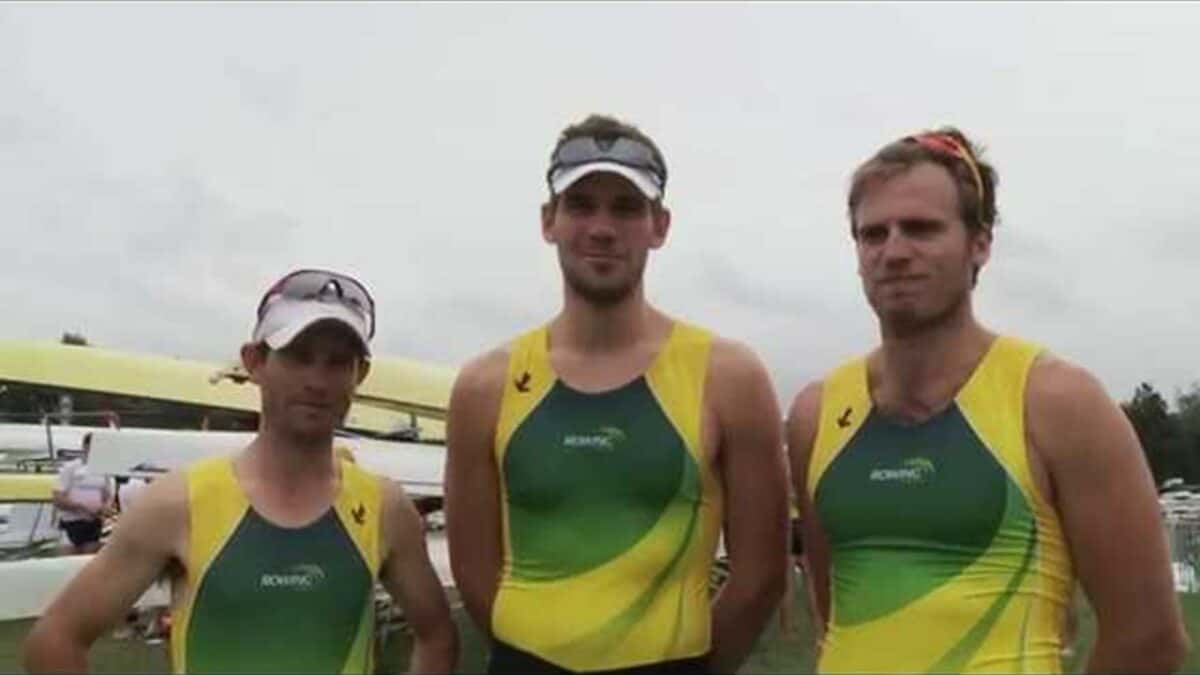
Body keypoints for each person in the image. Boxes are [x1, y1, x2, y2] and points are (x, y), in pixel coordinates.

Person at [786, 127, 1190, 672]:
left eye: (922, 229)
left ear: (980, 243)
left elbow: (1149, 640)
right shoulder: (816, 413)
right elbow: (834, 612)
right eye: (873, 234)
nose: (895, 251)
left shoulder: (1058, 402)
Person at [445, 114, 789, 675]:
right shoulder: (485, 386)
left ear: (659, 225)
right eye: (581, 205)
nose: (602, 228)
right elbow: (476, 575)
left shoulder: (729, 377)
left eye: (626, 208)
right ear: (548, 220)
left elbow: (760, 578)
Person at [25, 268, 458, 673]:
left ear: (359, 374)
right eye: (298, 356)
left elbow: (438, 636)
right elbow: (55, 641)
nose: (317, 380)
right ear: (254, 362)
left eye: (337, 362)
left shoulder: (385, 508)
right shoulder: (178, 504)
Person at [52, 432, 112, 555]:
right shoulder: (70, 468)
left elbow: (107, 497)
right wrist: (81, 507)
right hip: (71, 522)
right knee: (66, 560)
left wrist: (104, 508)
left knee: (87, 560)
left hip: (93, 523)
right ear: (85, 447)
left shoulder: (104, 470)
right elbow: (58, 498)